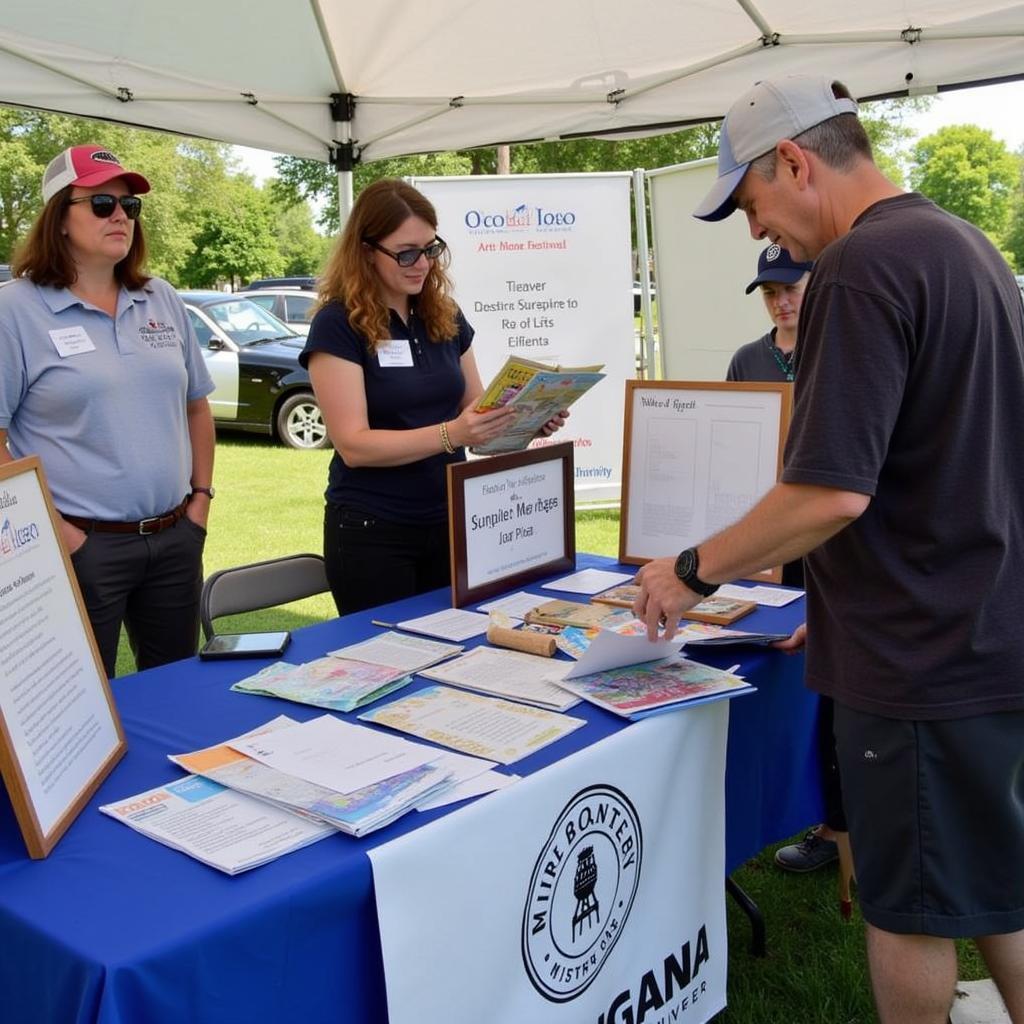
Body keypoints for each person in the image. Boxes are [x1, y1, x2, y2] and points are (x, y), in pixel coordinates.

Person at [636, 75, 1024, 1024]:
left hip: (919, 660)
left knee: (911, 912)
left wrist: (689, 571)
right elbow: (939, 465)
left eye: (753, 203)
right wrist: (838, 602)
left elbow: (829, 490)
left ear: (796, 161)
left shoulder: (856, 268)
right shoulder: (967, 245)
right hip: (977, 628)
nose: (759, 233)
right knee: (991, 885)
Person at [0, 145, 216, 677]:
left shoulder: (160, 297)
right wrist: (63, 536)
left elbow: (196, 407)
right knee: (79, 705)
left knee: (175, 693)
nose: (121, 215)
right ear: (59, 217)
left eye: (129, 206)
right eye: (101, 203)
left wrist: (200, 504)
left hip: (173, 537)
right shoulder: (16, 309)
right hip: (79, 546)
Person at [302, 179, 565, 615]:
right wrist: (452, 434)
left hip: (451, 518)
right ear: (366, 250)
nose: (421, 263)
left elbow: (474, 416)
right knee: (387, 661)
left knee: (453, 653)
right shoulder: (338, 325)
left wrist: (527, 419)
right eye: (405, 252)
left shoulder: (443, 314)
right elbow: (354, 445)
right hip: (373, 531)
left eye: (430, 248)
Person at [729, 244, 846, 874]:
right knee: (769, 659)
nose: (781, 300)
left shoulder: (840, 347)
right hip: (769, 542)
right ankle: (766, 803)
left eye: (790, 287)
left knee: (833, 680)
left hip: (832, 536)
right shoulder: (748, 359)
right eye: (770, 291)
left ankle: (838, 825)